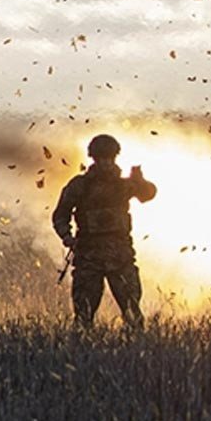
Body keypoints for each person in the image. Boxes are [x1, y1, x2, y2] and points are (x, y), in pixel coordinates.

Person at [52, 134, 156, 329]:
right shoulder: (80, 185)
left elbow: (148, 194)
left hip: (121, 257)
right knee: (83, 317)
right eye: (102, 159)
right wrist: (67, 238)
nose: (106, 163)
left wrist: (140, 181)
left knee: (133, 314)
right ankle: (82, 356)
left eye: (110, 158)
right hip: (88, 257)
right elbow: (60, 215)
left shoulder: (124, 184)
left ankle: (135, 354)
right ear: (94, 159)